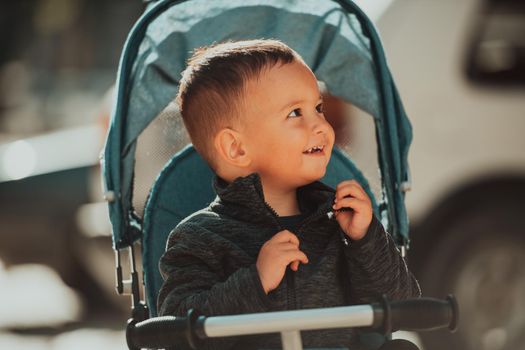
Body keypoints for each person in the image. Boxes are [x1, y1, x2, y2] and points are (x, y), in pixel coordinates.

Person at [157, 39, 421, 350]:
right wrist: (256, 281)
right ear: (236, 148)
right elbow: (177, 334)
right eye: (295, 113)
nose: (321, 125)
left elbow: (400, 307)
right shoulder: (199, 238)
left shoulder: (337, 225)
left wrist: (365, 239)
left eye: (318, 108)